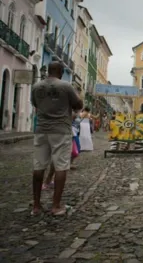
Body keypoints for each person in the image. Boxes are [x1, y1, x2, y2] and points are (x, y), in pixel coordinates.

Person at [31, 61, 83, 216]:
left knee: (38, 166)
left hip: (41, 129)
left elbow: (35, 104)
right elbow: (78, 105)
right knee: (61, 166)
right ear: (61, 72)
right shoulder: (66, 86)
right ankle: (56, 206)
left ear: (48, 71)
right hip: (61, 130)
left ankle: (36, 206)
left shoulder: (36, 87)